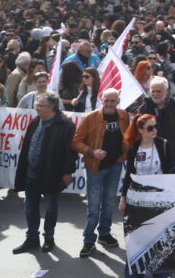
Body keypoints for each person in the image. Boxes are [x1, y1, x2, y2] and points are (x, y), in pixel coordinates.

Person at [11, 91, 76, 254]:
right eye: (37, 105)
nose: (36, 108)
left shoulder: (65, 125)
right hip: (31, 173)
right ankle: (32, 238)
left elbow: (70, 152)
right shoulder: (35, 122)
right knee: (30, 207)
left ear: (52, 107)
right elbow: (28, 147)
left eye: (40, 105)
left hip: (51, 175)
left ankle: (49, 238)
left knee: (50, 208)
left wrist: (68, 172)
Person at [71, 87, 131, 258]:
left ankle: (104, 234)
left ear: (118, 101)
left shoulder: (123, 115)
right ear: (101, 100)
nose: (110, 103)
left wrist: (126, 153)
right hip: (95, 167)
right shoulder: (90, 118)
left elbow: (128, 135)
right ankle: (88, 240)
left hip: (115, 165)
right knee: (94, 206)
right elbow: (76, 141)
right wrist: (92, 152)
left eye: (113, 100)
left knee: (109, 202)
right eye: (106, 100)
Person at [118, 113, 175, 215]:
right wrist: (123, 198)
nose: (154, 130)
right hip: (138, 195)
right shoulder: (133, 148)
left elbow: (170, 169)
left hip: (159, 196)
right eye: (150, 128)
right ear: (141, 130)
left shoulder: (164, 144)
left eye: (156, 126)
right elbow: (129, 173)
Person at [139, 76, 175, 172]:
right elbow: (138, 131)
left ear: (166, 91)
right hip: (150, 158)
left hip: (174, 158)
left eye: (158, 91)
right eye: (153, 91)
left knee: (173, 186)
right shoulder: (144, 109)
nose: (155, 94)